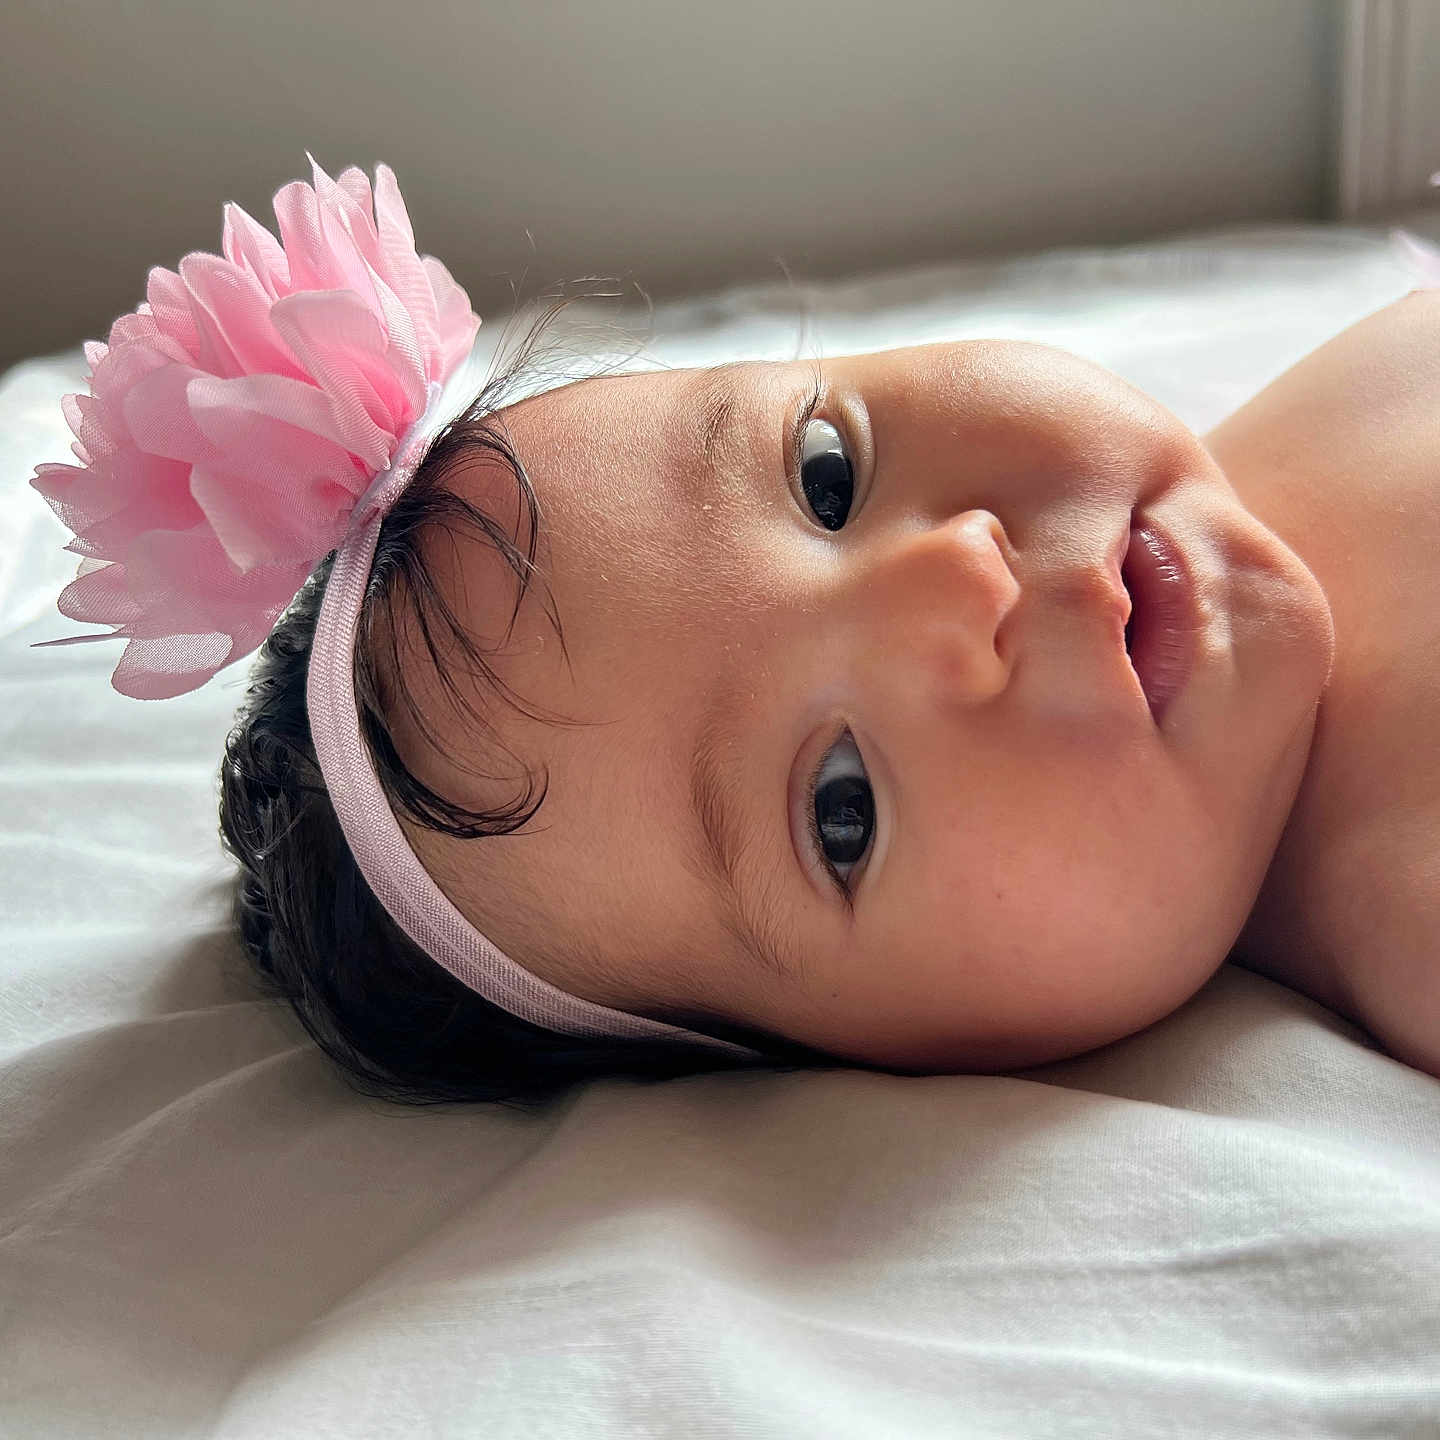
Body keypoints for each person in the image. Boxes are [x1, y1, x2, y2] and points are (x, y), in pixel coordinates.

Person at [31, 157, 1439, 1109]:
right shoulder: (1411, 908)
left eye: (826, 476)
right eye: (842, 810)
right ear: (867, 1067)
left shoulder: (1300, 416)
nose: (959, 581)